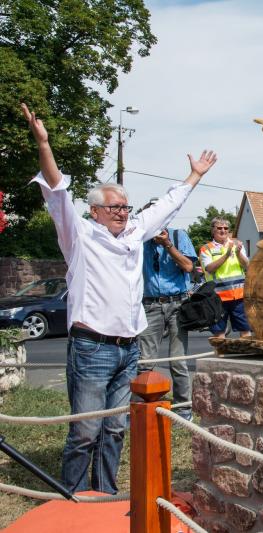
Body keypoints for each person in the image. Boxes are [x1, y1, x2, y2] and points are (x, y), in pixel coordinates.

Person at [21, 103, 217, 494]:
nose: (123, 213)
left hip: (129, 350)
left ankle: (105, 492)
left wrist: (194, 175)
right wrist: (44, 144)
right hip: (92, 348)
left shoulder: (134, 234)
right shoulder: (77, 235)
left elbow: (167, 205)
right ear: (94, 211)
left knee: (115, 428)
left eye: (126, 207)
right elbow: (57, 190)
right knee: (86, 429)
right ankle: (73, 497)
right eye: (114, 207)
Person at [137, 198, 198, 421]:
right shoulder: (139, 239)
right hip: (150, 304)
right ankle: (143, 408)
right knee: (144, 360)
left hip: (177, 304)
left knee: (178, 360)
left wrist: (167, 245)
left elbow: (189, 267)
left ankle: (184, 410)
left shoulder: (178, 235)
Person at [199, 218, 251, 338]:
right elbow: (210, 268)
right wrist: (227, 255)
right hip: (218, 299)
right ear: (213, 230)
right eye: (219, 228)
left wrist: (238, 254)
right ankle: (220, 357)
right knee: (219, 334)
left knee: (245, 331)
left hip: (238, 297)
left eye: (226, 228)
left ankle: (246, 356)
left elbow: (247, 265)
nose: (223, 230)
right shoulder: (206, 248)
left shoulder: (237, 244)